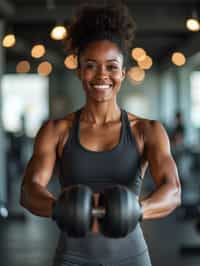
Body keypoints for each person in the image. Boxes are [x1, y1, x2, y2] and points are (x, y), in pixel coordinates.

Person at [20, 2, 181, 266]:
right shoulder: (55, 131)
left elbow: (173, 191)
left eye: (111, 66)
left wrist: (137, 209)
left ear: (123, 73)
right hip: (72, 258)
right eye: (91, 65)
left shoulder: (147, 130)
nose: (102, 75)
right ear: (79, 71)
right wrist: (61, 207)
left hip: (131, 258)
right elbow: (29, 190)